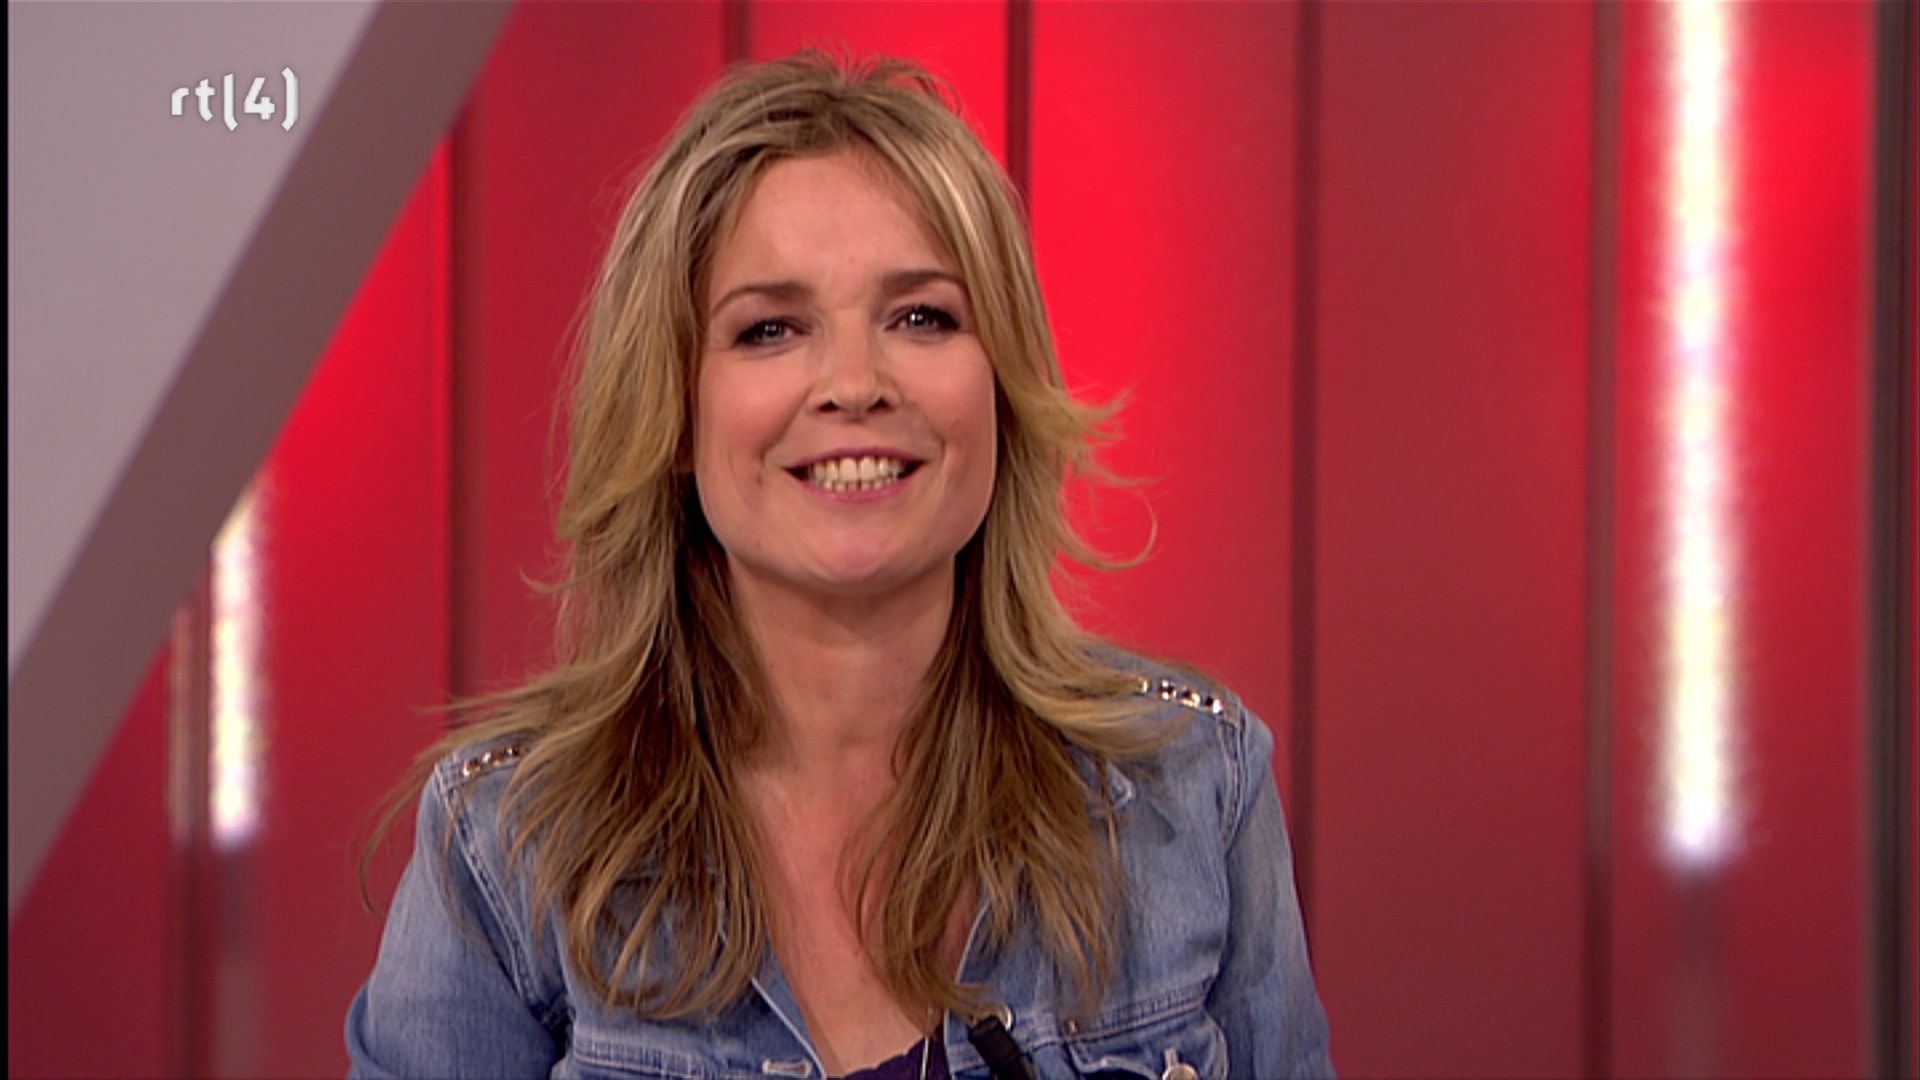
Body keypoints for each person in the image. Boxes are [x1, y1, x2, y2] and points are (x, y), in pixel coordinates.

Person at [345, 50, 1332, 1079]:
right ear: (674, 411)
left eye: (922, 317)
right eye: (770, 329)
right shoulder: (507, 845)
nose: (855, 383)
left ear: (1001, 389)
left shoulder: (1192, 786)